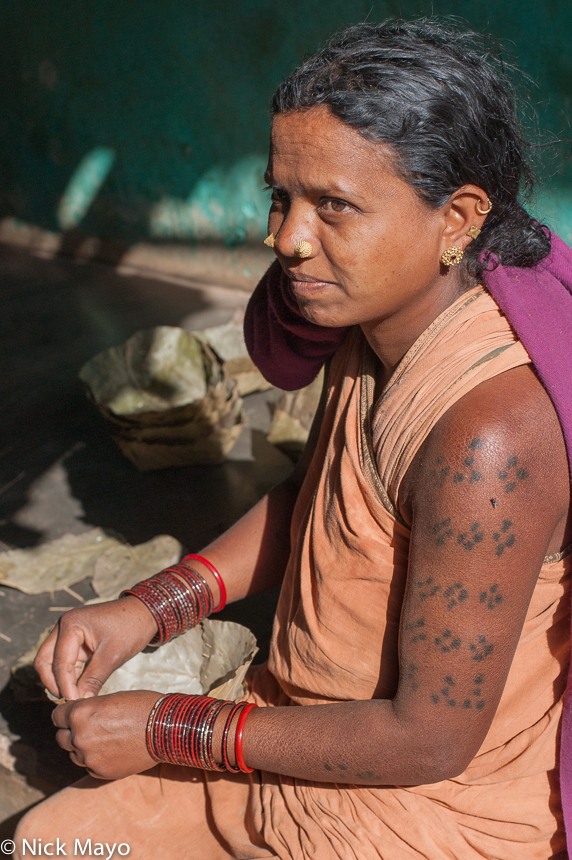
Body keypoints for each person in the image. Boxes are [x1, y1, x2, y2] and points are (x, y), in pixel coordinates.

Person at [15, 19, 571, 860]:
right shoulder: (373, 322)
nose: (286, 238)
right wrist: (148, 609)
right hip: (292, 728)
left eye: (334, 206)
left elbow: (429, 743)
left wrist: (172, 727)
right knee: (49, 842)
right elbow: (318, 502)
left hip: (420, 808)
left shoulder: (488, 440)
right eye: (282, 196)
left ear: (456, 218)